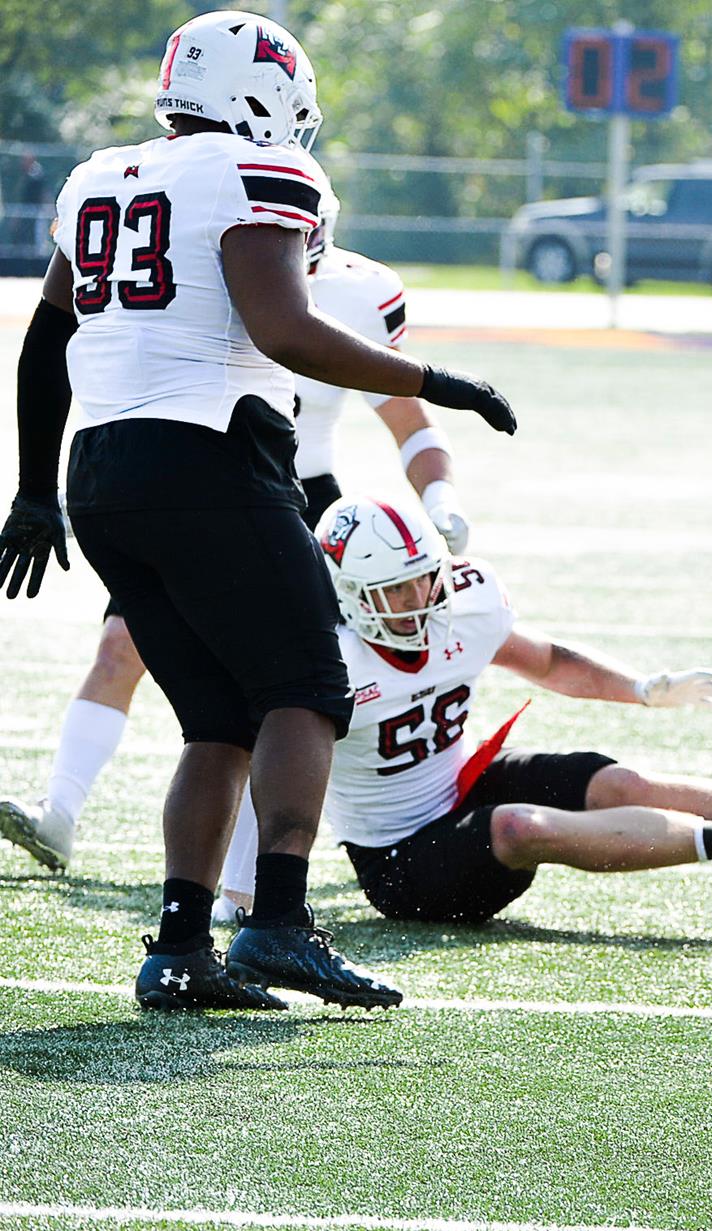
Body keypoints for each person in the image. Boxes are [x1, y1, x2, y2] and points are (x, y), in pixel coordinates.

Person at [0, 11, 516, 1012]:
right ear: (264, 93)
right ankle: (278, 922)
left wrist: (29, 487)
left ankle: (180, 945)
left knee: (217, 717)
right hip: (209, 454)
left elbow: (43, 337)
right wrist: (437, 380)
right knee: (311, 687)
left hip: (98, 470)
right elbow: (283, 328)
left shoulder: (97, 173)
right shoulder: (258, 173)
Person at [0, 198, 475, 917]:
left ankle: (270, 876)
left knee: (298, 690)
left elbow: (409, 421)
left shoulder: (361, 289)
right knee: (123, 646)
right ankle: (60, 809)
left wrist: (439, 498)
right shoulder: (204, 261)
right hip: (212, 479)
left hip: (304, 495)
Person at [315, 497, 712, 922]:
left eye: (424, 578)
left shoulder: (465, 608)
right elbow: (262, 761)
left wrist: (643, 688)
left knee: (621, 784)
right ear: (349, 594)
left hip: (463, 780)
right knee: (517, 826)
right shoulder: (330, 660)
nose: (418, 600)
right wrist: (252, 890)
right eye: (396, 589)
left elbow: (550, 663)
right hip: (400, 860)